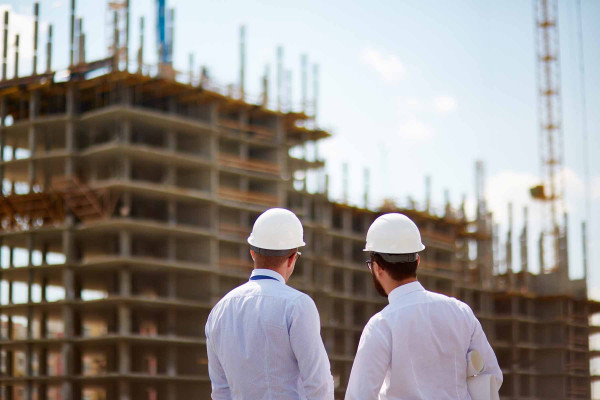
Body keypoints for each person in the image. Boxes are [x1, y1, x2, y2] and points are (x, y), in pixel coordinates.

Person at [345, 213, 502, 400]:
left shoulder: (381, 325)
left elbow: (359, 396)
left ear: (378, 267)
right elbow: (492, 377)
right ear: (417, 261)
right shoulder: (461, 312)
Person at [205, 208, 334, 400]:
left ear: (252, 253)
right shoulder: (297, 306)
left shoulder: (219, 311)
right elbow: (318, 384)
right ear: (292, 258)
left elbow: (220, 391)